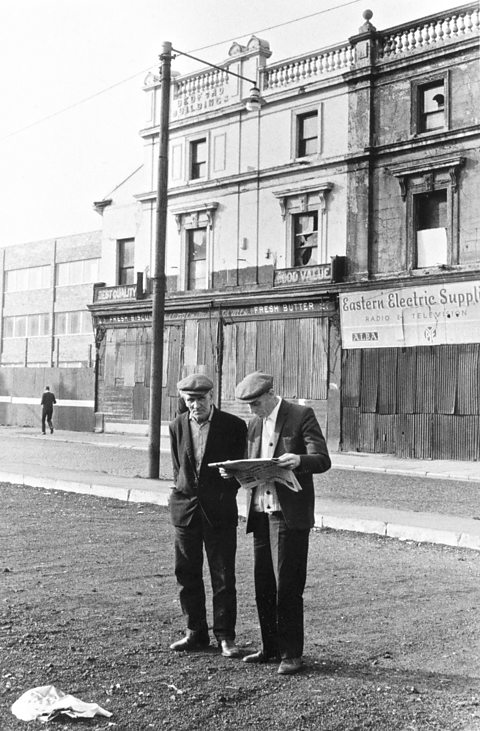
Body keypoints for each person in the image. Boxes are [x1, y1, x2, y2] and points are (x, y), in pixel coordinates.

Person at [234, 371, 331, 675]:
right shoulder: (253, 426)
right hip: (261, 514)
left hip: (288, 516)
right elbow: (248, 464)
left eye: (256, 403)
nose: (253, 410)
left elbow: (323, 459)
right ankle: (270, 647)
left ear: (271, 394)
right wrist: (234, 473)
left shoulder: (301, 415)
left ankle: (292, 654)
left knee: (287, 585)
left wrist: (300, 460)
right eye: (248, 405)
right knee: (263, 584)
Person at [168, 373, 247, 658]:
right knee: (187, 573)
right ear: (184, 400)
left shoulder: (234, 426)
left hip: (219, 512)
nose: (196, 405)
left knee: (223, 575)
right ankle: (195, 633)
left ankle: (226, 636)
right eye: (190, 400)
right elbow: (179, 469)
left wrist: (228, 485)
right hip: (186, 512)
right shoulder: (176, 426)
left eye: (201, 399)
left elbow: (241, 471)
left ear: (212, 397)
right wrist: (181, 496)